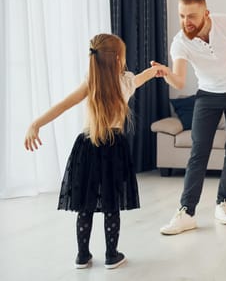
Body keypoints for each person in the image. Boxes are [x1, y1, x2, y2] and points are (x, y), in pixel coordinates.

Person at [24, 33, 161, 269]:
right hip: (114, 148)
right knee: (111, 203)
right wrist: (157, 71)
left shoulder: (91, 83)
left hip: (87, 146)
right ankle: (111, 255)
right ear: (118, 59)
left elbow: (62, 105)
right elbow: (140, 79)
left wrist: (35, 124)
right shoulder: (125, 81)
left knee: (85, 204)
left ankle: (82, 255)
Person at [152, 0, 226, 235]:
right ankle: (187, 212)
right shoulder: (180, 42)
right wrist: (165, 73)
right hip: (208, 95)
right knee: (198, 153)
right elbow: (180, 81)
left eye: (191, 16)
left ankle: (224, 203)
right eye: (182, 16)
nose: (186, 22)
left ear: (206, 13)